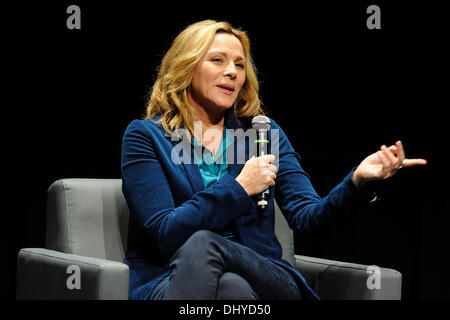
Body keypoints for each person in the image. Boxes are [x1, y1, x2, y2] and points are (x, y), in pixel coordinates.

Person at [121, 20, 427, 300]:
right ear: (186, 67)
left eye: (239, 65)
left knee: (207, 246)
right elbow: (164, 234)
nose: (232, 72)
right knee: (230, 287)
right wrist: (239, 188)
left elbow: (310, 219)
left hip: (264, 275)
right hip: (173, 276)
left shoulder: (263, 135)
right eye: (218, 60)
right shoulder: (147, 136)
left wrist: (358, 182)